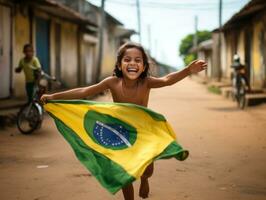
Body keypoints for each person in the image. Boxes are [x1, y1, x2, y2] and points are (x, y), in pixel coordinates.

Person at [40, 42, 207, 200]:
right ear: (120, 65)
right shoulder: (112, 82)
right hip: (120, 131)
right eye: (127, 60)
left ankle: (145, 179)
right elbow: (85, 91)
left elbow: (166, 80)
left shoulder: (146, 82)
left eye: (138, 60)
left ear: (143, 67)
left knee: (147, 168)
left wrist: (187, 70)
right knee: (123, 171)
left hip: (144, 131)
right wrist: (54, 96)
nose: (132, 63)